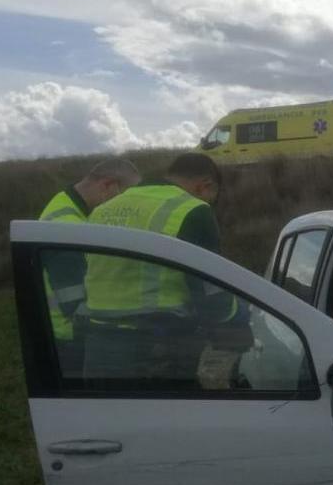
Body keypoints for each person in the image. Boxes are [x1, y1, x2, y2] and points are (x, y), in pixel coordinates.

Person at [82, 153, 242, 388]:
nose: (209, 204)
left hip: (97, 345)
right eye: (212, 198)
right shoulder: (193, 210)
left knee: (104, 420)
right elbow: (210, 291)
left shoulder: (102, 210)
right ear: (205, 186)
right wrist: (238, 316)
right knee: (162, 422)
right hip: (154, 350)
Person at [38, 159, 142, 370]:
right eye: (124, 196)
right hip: (69, 338)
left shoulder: (66, 205)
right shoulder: (67, 228)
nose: (124, 205)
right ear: (107, 185)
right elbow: (75, 301)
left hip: (65, 333)